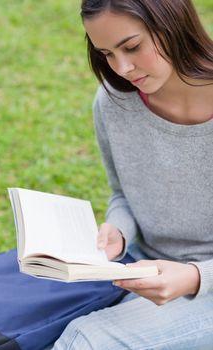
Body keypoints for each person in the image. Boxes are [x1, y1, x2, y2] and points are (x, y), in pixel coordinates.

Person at [51, 0, 213, 349]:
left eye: (132, 46)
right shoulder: (114, 102)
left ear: (172, 24)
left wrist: (197, 276)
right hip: (141, 267)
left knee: (86, 341)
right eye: (107, 53)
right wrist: (119, 231)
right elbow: (122, 192)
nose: (122, 67)